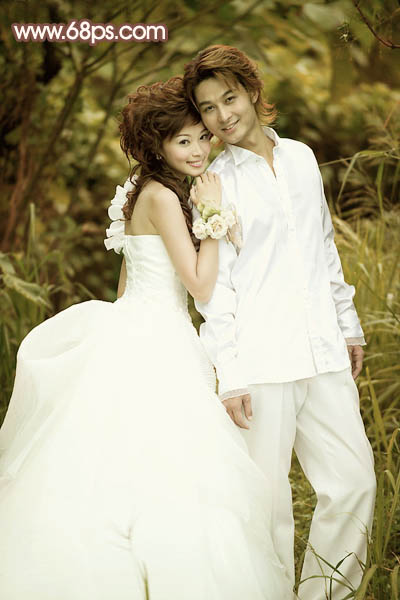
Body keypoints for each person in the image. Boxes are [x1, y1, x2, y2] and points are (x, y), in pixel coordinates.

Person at [0, 76, 291, 600]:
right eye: (183, 141)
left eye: (202, 137)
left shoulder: (147, 190)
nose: (199, 149)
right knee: (167, 459)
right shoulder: (162, 197)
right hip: (158, 333)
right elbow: (200, 284)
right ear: (157, 146)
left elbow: (127, 282)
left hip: (140, 322)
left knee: (137, 454)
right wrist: (214, 216)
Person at [183, 46, 377, 600]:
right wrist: (230, 374)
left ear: (251, 91)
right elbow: (217, 290)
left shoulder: (301, 157)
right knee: (267, 507)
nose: (222, 115)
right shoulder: (214, 184)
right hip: (260, 362)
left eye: (229, 98)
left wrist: (348, 323)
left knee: (354, 483)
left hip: (323, 350)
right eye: (208, 108)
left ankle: (324, 594)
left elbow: (323, 244)